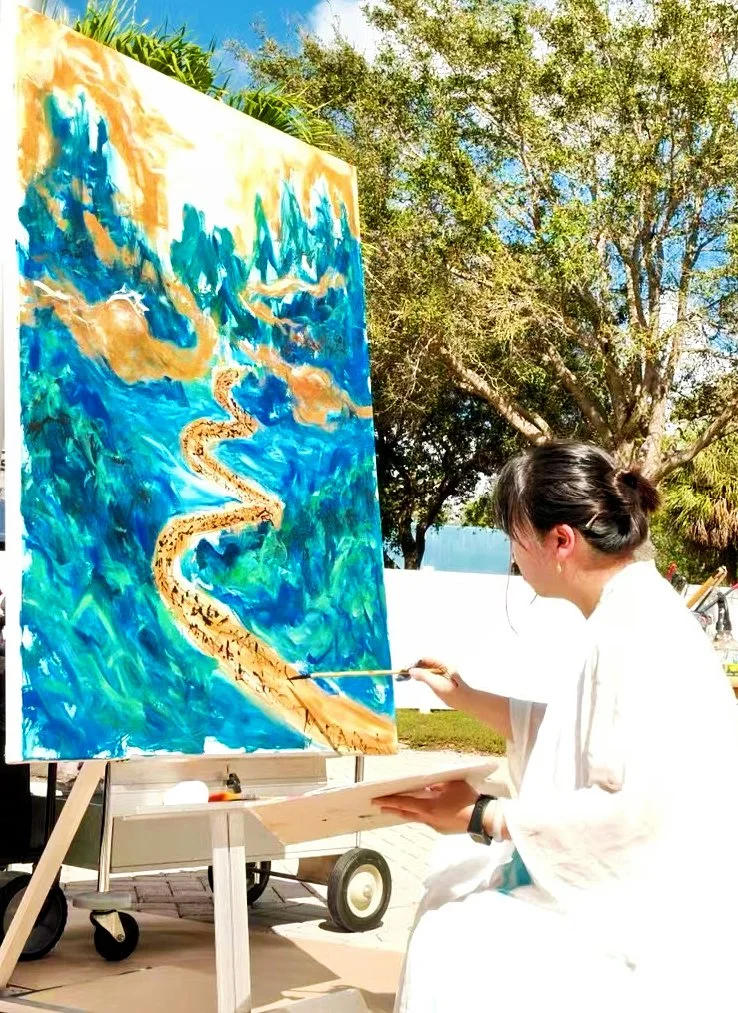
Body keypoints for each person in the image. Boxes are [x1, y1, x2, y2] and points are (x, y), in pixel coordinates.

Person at [375, 441, 738, 1012]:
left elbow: (632, 813)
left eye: (514, 535)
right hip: (656, 895)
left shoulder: (634, 629)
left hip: (659, 923)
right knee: (451, 896)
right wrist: (465, 695)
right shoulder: (633, 607)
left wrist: (479, 814)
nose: (512, 554)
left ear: (560, 540)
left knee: (452, 941)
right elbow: (579, 735)